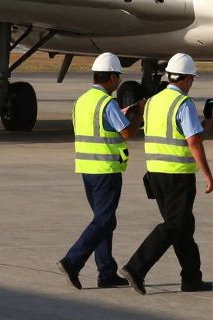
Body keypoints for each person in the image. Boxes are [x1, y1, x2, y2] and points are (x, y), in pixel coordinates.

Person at [121, 52, 213, 295]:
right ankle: (136, 268)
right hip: (178, 176)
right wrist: (207, 175)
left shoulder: (153, 102)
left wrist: (204, 124)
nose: (191, 83)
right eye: (192, 79)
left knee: (185, 226)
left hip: (155, 174)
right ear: (185, 79)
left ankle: (192, 278)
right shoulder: (183, 104)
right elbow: (193, 141)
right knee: (174, 225)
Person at [58, 52, 143, 289]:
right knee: (104, 220)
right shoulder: (107, 102)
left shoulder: (81, 101)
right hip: (106, 168)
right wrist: (139, 114)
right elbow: (126, 133)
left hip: (86, 168)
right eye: (118, 78)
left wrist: (121, 115)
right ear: (113, 77)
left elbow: (96, 128)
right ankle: (72, 261)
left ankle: (106, 272)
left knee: (105, 219)